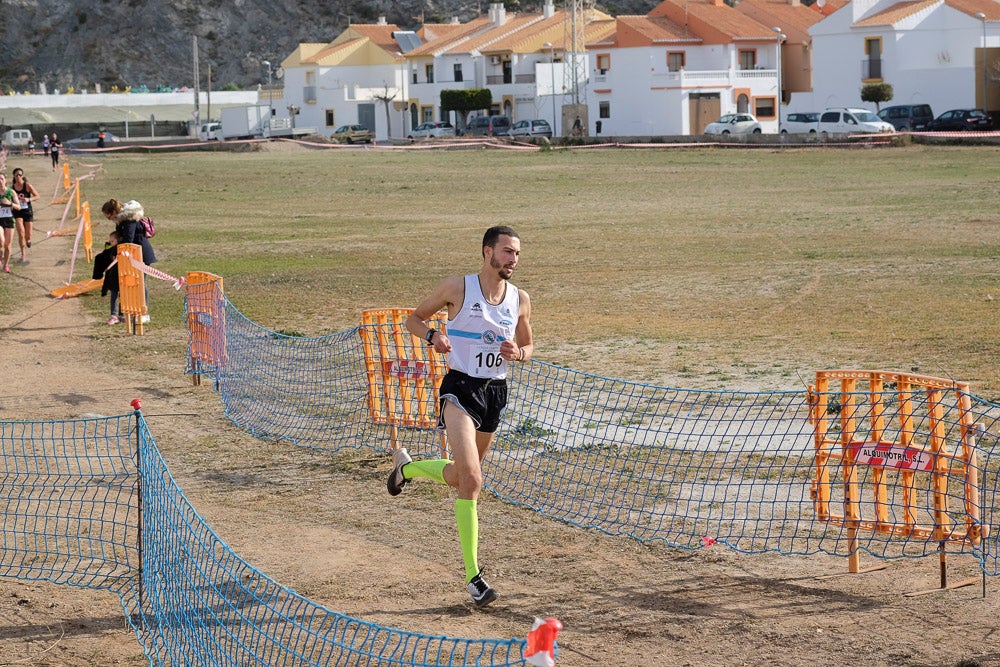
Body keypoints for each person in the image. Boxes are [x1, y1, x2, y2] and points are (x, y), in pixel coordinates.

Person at [390, 225, 533, 607]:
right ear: (487, 252)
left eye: (517, 254)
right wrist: (433, 336)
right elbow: (414, 319)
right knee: (473, 479)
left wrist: (518, 353)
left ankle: (406, 469)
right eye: (507, 252)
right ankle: (474, 578)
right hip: (460, 388)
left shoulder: (520, 298)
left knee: (459, 477)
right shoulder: (457, 287)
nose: (513, 260)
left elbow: (530, 343)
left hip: (495, 393)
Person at [102, 198, 156, 324]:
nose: (109, 219)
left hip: (142, 255)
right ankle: (131, 313)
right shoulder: (121, 220)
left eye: (108, 216)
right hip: (132, 256)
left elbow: (128, 240)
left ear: (114, 211)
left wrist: (118, 250)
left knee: (141, 283)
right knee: (134, 283)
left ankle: (144, 313)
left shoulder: (129, 220)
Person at [92, 230, 121, 324]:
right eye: (110, 241)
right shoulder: (110, 250)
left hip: (121, 277)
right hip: (113, 278)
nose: (110, 243)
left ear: (118, 240)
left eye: (112, 241)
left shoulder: (119, 250)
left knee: (122, 297)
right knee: (113, 295)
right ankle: (113, 314)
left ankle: (121, 315)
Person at [11, 167, 39, 262]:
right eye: (16, 175)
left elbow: (37, 196)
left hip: (27, 212)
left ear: (22, 176)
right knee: (21, 233)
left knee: (28, 236)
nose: (18, 176)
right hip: (17, 212)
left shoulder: (27, 186)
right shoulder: (12, 189)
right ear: (14, 176)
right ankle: (23, 253)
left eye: (20, 175)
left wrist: (29, 199)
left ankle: (28, 240)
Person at [0, 174, 21, 273]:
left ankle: (6, 265)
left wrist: (10, 203)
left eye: (1, 178)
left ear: (5, 180)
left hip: (9, 219)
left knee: (8, 246)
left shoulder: (11, 192)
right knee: (1, 241)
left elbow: (19, 207)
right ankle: (0, 256)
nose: (0, 181)